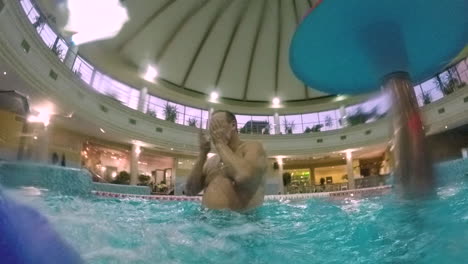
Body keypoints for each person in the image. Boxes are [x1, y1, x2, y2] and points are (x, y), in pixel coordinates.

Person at [185, 110, 267, 211]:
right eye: (211, 128)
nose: (213, 131)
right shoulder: (212, 161)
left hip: (242, 223)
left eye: (217, 126)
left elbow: (245, 177)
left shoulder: (252, 148)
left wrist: (220, 143)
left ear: (233, 125)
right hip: (206, 221)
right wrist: (202, 154)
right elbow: (190, 191)